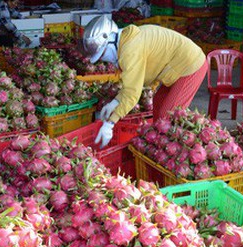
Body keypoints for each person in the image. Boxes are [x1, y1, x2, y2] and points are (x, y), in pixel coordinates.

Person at [83, 15, 208, 148]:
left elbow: (132, 94)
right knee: (159, 104)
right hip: (177, 67)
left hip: (190, 66)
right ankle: (159, 144)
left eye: (102, 54)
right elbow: (130, 87)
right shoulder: (126, 40)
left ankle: (171, 148)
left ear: (110, 41)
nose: (104, 59)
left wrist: (110, 124)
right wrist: (114, 103)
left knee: (168, 116)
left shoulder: (129, 51)